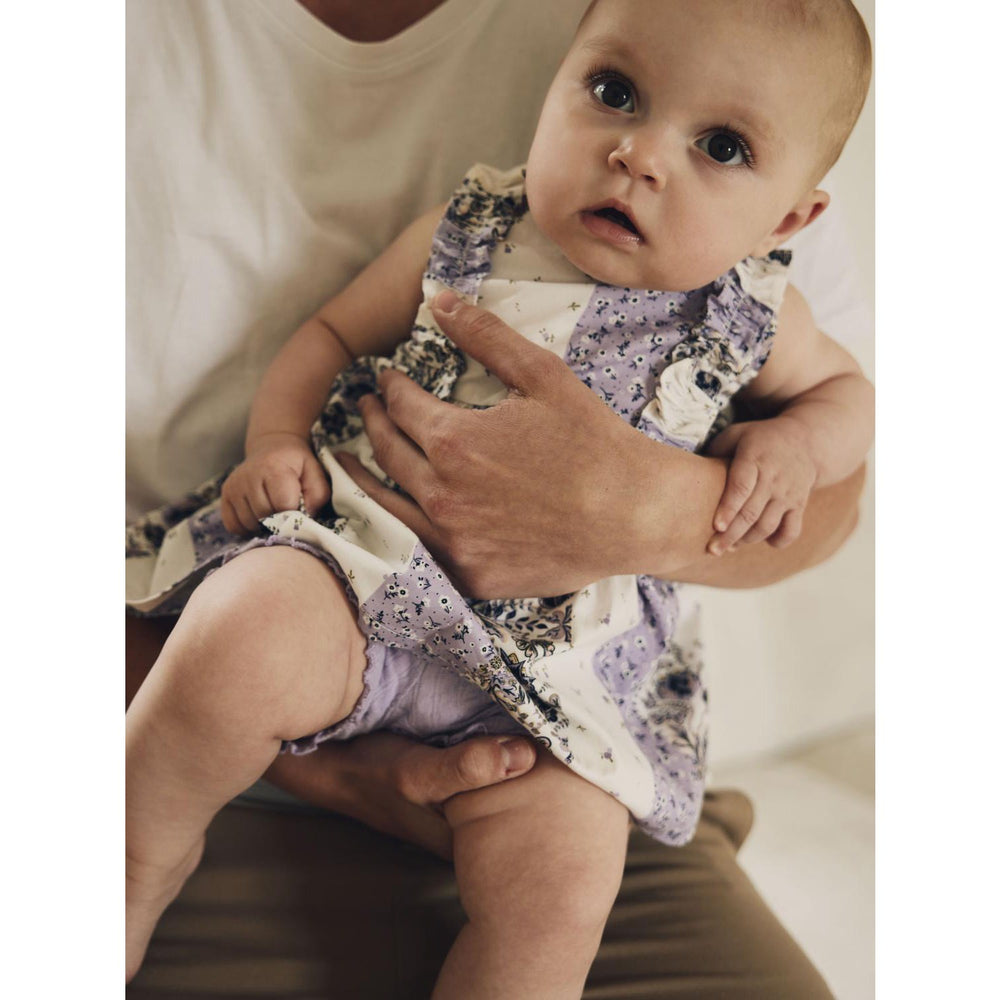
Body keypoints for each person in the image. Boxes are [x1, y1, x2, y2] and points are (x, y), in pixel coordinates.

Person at [125, 0, 872, 995]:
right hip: (358, 583)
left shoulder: (753, 312)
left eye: (721, 147)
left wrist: (794, 442)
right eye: (613, 93)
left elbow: (849, 399)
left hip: (555, 688)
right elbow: (332, 334)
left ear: (786, 220)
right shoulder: (475, 228)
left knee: (561, 886)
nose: (641, 155)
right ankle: (133, 865)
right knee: (240, 631)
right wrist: (274, 441)